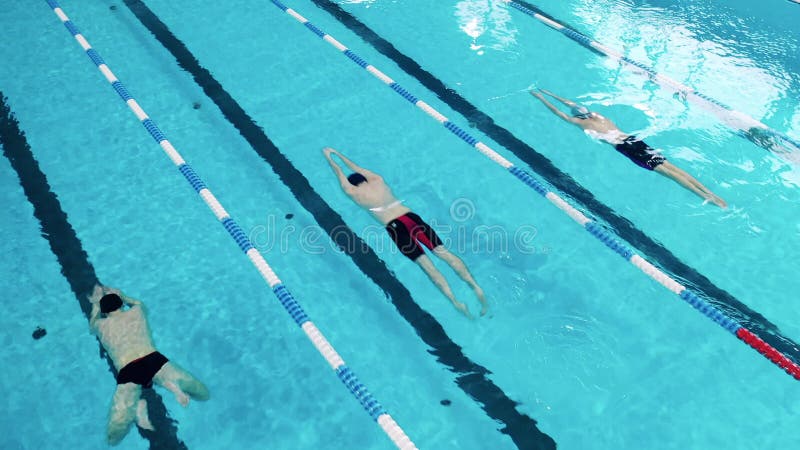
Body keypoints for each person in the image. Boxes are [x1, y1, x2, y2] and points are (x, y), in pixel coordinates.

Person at [323, 147, 488, 317]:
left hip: (394, 227)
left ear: (353, 184)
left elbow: (339, 175)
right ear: (364, 178)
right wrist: (338, 153)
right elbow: (357, 168)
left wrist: (329, 159)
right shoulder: (377, 180)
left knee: (427, 266)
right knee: (444, 253)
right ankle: (476, 287)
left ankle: (455, 301)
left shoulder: (353, 192)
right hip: (410, 217)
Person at [530, 88, 727, 208]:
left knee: (669, 174)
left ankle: (706, 197)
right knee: (672, 167)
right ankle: (709, 191)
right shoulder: (599, 115)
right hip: (634, 140)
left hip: (626, 148)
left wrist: (541, 97)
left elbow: (559, 112)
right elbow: (571, 103)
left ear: (579, 117)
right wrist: (550, 92)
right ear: (588, 111)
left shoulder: (580, 123)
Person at [88, 285, 209, 445]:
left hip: (128, 370)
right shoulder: (137, 312)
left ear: (105, 312)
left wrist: (96, 304)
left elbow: (92, 325)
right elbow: (138, 303)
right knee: (202, 393)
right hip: (154, 361)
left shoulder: (101, 326)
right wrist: (123, 296)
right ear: (121, 305)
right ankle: (174, 389)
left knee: (113, 436)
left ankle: (138, 408)